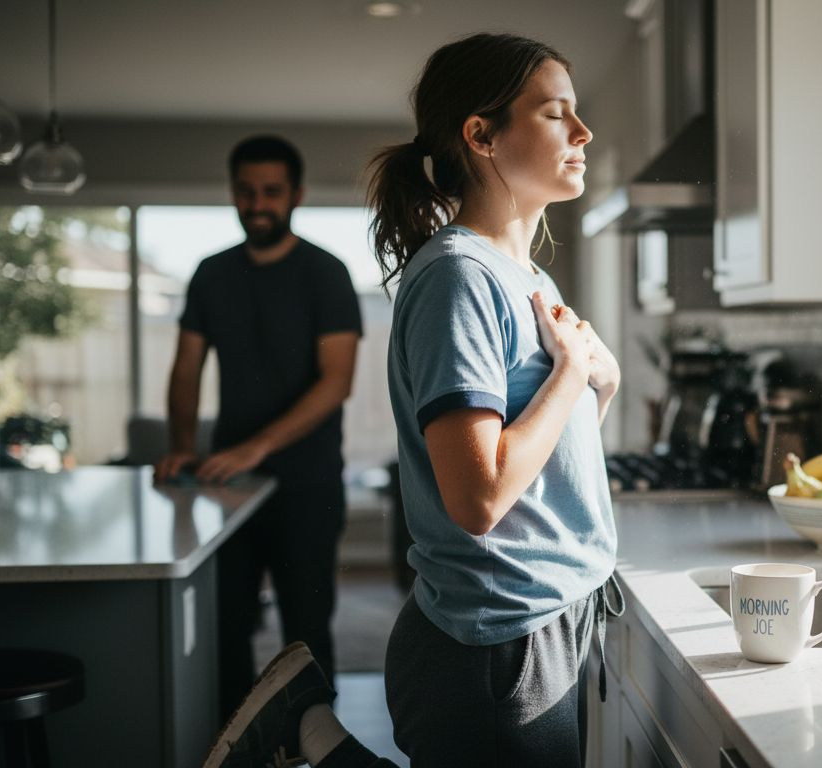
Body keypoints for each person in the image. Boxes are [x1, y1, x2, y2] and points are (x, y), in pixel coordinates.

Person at [201, 33, 622, 768]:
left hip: (546, 621)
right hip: (497, 644)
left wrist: (596, 387)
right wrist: (568, 377)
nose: (583, 133)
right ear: (481, 135)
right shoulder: (458, 279)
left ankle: (308, 727)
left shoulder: (530, 281)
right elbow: (479, 497)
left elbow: (542, 473)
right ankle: (309, 730)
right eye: (557, 114)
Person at [155, 135, 363, 722]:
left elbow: (336, 381)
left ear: (295, 195)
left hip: (309, 485)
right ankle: (234, 749)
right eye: (246, 192)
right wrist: (179, 447)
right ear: (233, 194)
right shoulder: (210, 273)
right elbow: (186, 368)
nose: (257, 203)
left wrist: (255, 448)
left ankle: (316, 746)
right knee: (225, 628)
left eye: (271, 191)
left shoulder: (327, 272)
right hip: (226, 489)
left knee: (306, 630)